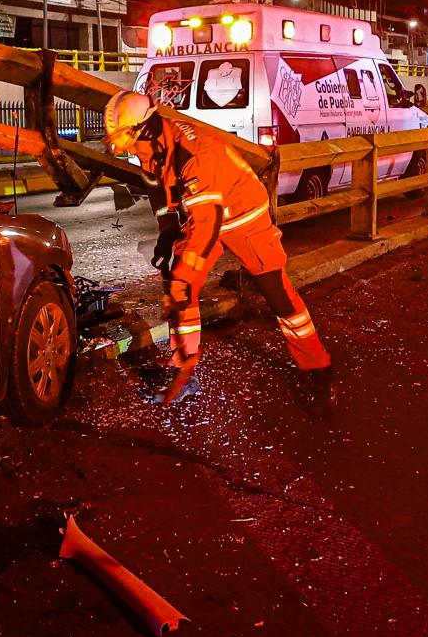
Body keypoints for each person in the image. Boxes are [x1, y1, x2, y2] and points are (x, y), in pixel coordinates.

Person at [103, 91, 337, 411]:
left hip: (244, 216)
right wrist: (168, 231)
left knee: (277, 294)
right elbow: (158, 187)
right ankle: (184, 371)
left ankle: (319, 369)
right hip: (210, 213)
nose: (123, 147)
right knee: (180, 286)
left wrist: (186, 265)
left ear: (142, 129)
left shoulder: (193, 154)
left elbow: (207, 224)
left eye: (124, 139)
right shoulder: (155, 143)